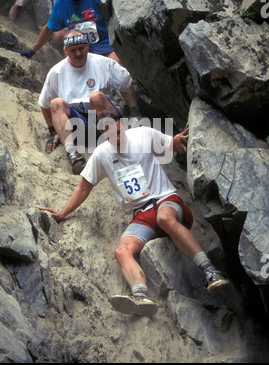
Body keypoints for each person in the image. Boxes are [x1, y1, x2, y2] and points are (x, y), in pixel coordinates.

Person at [37, 109, 229, 317]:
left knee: (164, 218)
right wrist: (62, 213)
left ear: (125, 125)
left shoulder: (144, 134)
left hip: (165, 201)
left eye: (118, 132)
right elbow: (83, 188)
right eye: (109, 135)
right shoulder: (101, 155)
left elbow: (171, 145)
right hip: (141, 215)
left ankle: (210, 271)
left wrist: (177, 140)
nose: (116, 138)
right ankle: (141, 296)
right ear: (102, 133)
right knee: (122, 251)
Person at [38, 30, 142, 174]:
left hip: (105, 118)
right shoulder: (56, 72)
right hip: (79, 125)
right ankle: (73, 155)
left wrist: (134, 111)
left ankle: (118, 147)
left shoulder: (103, 63)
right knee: (57, 103)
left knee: (96, 97)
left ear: (87, 46)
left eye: (81, 48)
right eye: (73, 50)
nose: (78, 53)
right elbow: (44, 104)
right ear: (65, 51)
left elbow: (126, 82)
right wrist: (52, 131)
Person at [18, 0, 121, 62]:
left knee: (116, 64)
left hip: (108, 46)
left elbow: (118, 14)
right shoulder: (61, 4)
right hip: (82, 51)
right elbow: (49, 28)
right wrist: (32, 51)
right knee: (65, 38)